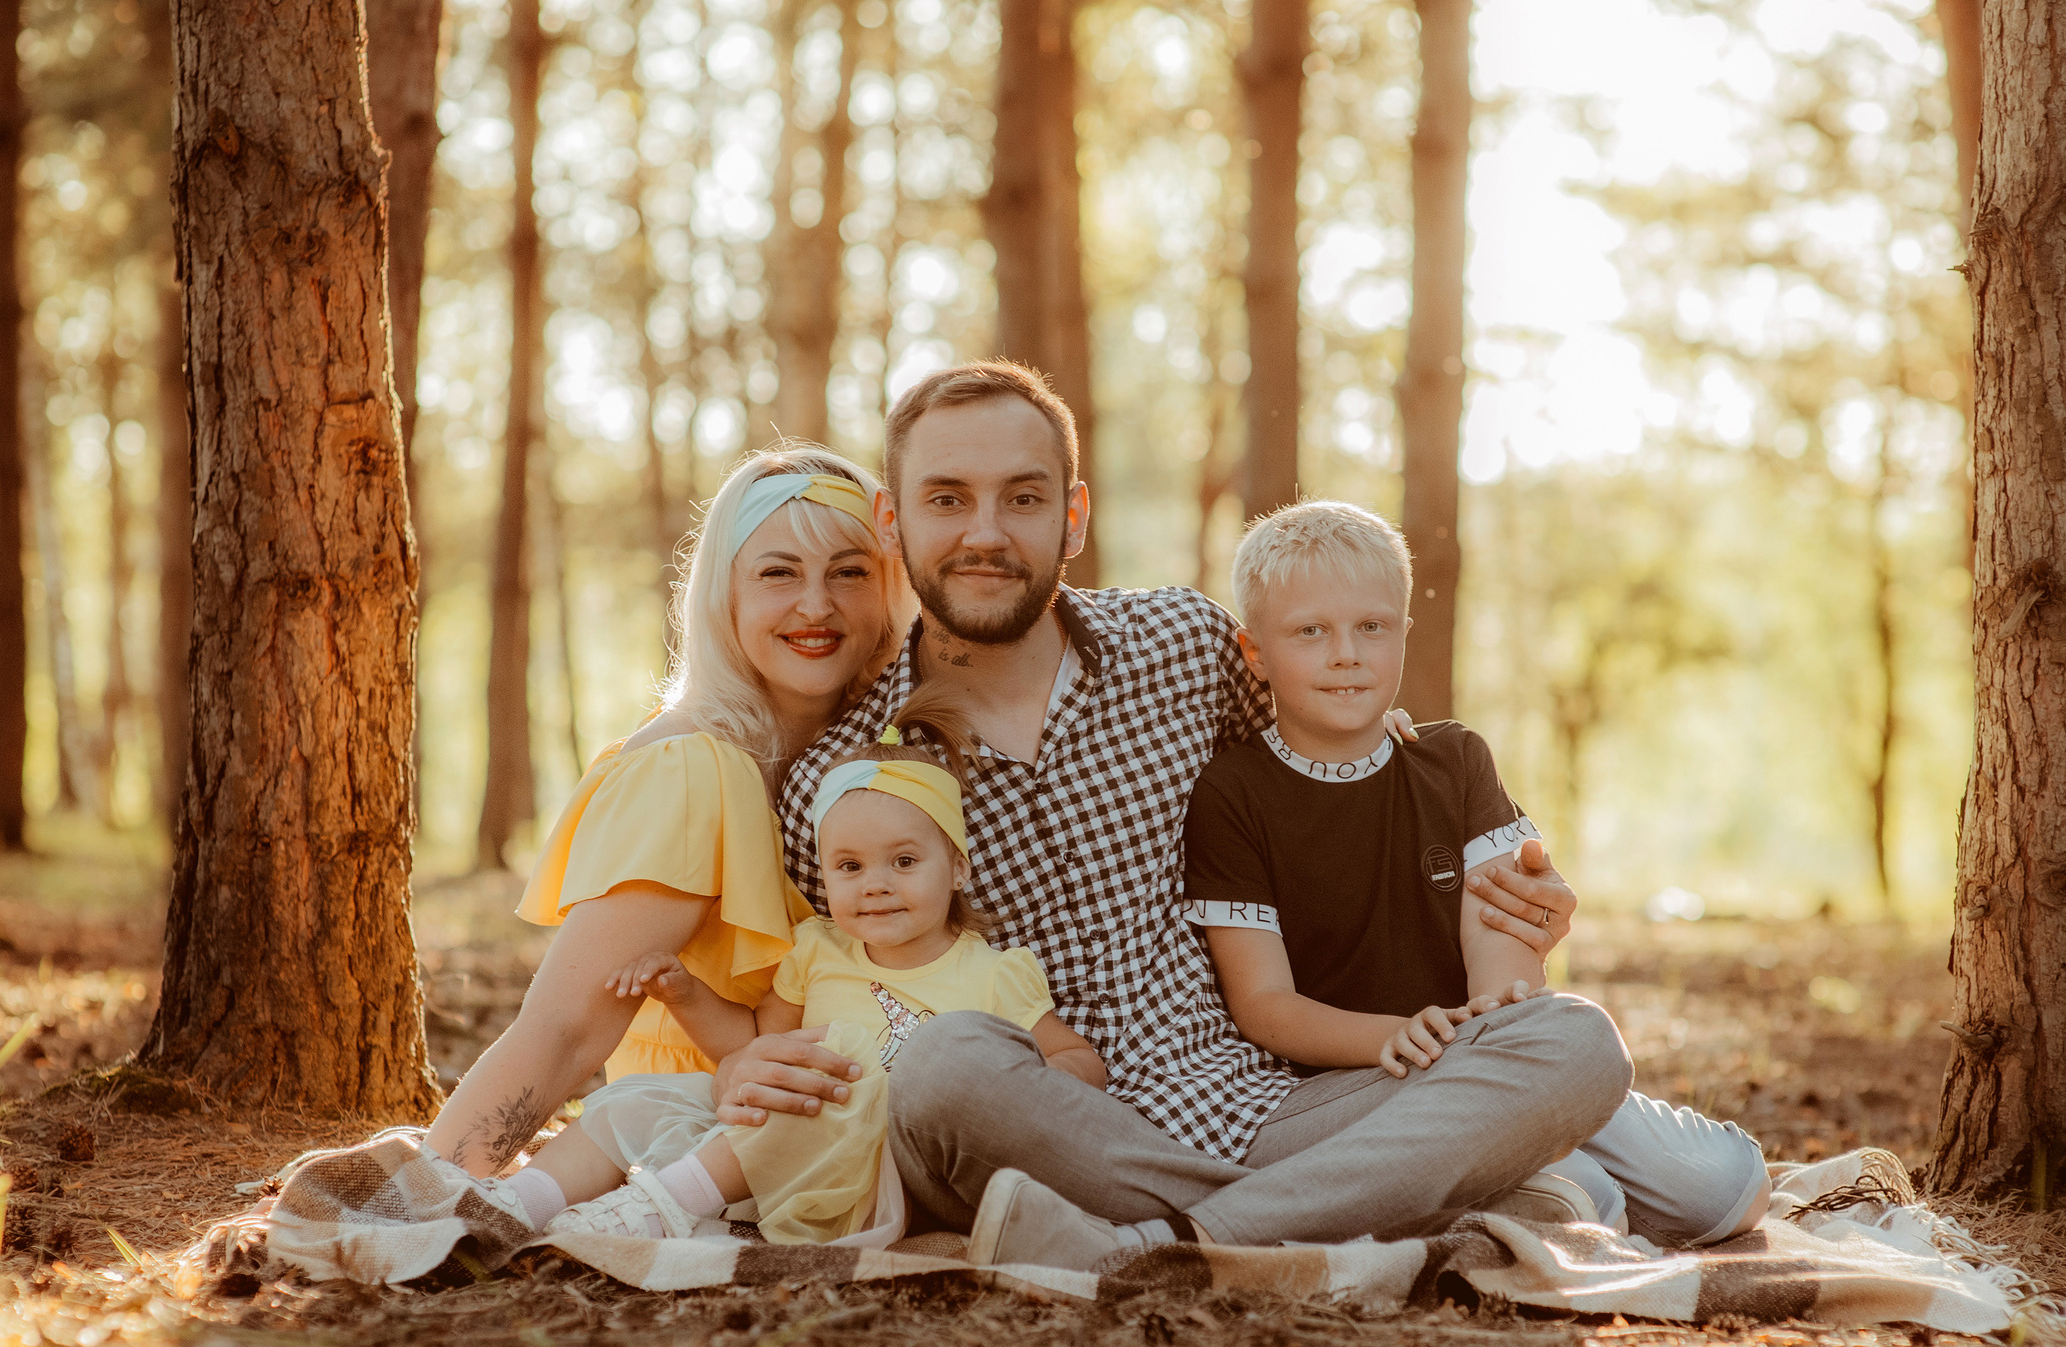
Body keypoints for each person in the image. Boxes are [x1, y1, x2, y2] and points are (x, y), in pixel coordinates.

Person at [704, 360, 1638, 1270]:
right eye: (946, 498)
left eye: (1023, 499)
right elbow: (826, 993)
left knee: (1575, 1042)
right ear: (892, 519)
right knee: (945, 1063)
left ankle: (1175, 1246)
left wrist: (1502, 882)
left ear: (1073, 517)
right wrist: (742, 1066)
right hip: (1034, 1129)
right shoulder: (840, 777)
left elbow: (1322, 775)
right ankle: (1346, 1203)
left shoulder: (1184, 647)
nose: (984, 532)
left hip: (1265, 1108)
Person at [1172, 500, 1769, 1250]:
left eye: (1372, 626)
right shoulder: (1232, 794)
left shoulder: (1453, 762)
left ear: (1402, 634)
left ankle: (1540, 1141)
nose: (1346, 653)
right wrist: (1395, 1034)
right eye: (1310, 632)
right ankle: (1538, 1161)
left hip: (1496, 1051)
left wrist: (1490, 1039)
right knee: (1595, 1200)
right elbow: (1263, 1004)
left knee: (1728, 1188)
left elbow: (1506, 972)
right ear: (1255, 653)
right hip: (1360, 1083)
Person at [414, 446, 914, 1252]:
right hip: (692, 1129)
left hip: (834, 1128)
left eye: (850, 572)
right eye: (778, 573)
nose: (815, 605)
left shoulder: (885, 759)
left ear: (889, 590)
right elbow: (567, 1027)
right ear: (724, 594)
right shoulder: (693, 768)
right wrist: (440, 1184)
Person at [518, 689, 1105, 1247]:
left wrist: (1019, 1092)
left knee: (838, 1074)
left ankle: (660, 1208)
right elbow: (756, 1049)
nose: (876, 884)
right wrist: (686, 995)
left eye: (904, 861)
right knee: (646, 1098)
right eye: (849, 866)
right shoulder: (816, 951)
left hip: (891, 1172)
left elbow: (1077, 1059)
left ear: (956, 867)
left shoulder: (995, 973)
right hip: (778, 1146)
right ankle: (518, 1203)